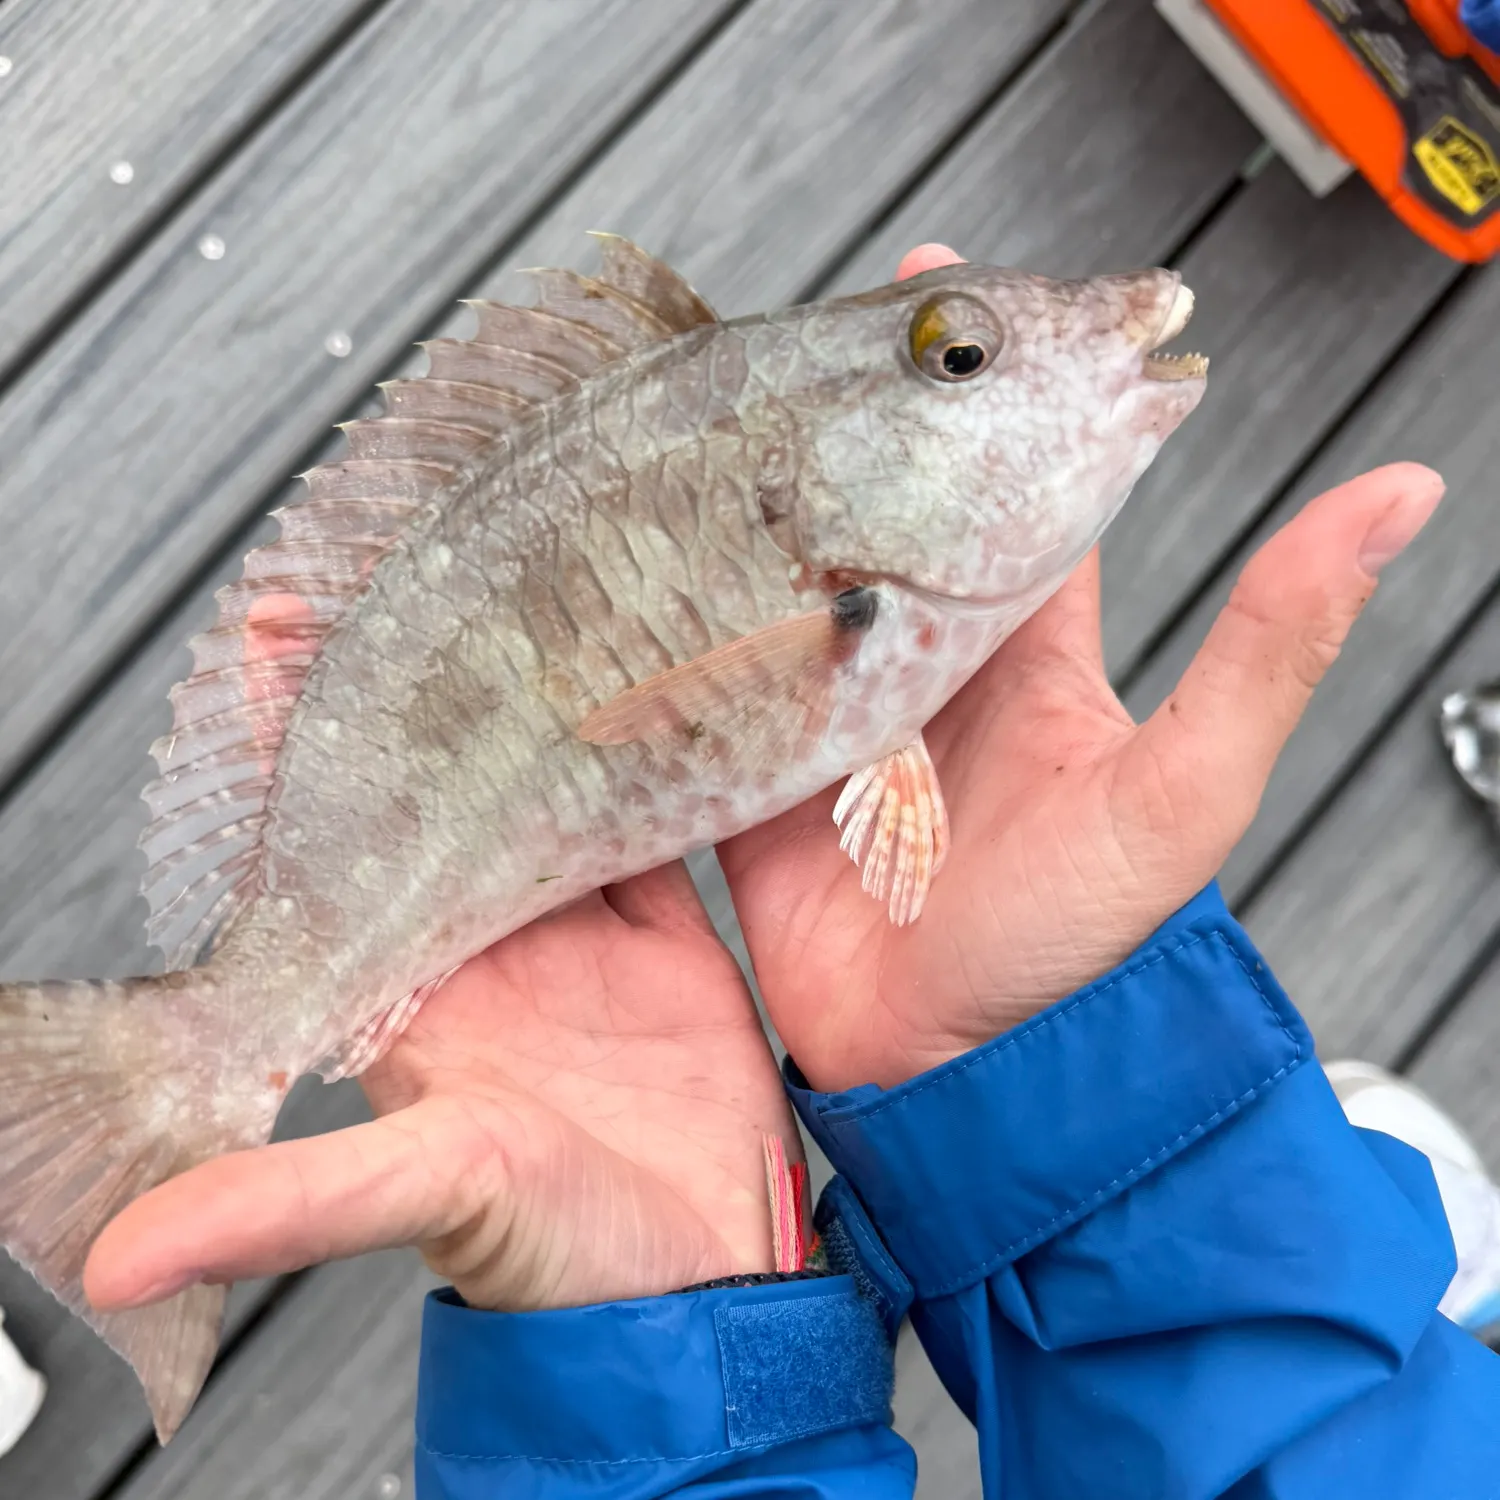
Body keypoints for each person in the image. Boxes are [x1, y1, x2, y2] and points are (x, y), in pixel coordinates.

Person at [80, 247, 1500, 1497]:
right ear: (818, 487)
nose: (1118, 315)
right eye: (962, 358)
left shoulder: (861, 591)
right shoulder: (849, 602)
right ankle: (1283, 1299)